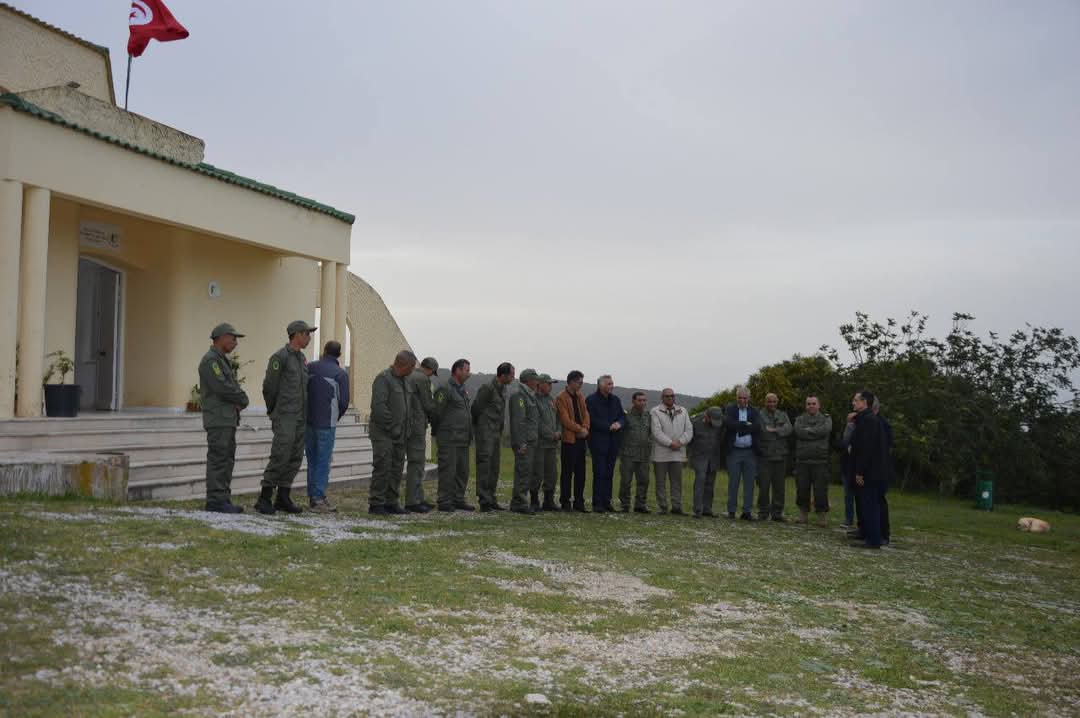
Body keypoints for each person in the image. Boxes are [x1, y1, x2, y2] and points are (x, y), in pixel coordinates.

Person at [256, 320, 316, 515]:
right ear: (297, 334)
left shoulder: (302, 359)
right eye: (307, 333)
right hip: (285, 416)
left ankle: (283, 496)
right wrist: (274, 410)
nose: (309, 337)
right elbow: (269, 387)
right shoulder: (280, 357)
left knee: (295, 457)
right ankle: (264, 497)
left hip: (300, 417)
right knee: (280, 455)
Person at [198, 323, 249, 514]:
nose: (236, 342)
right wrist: (242, 398)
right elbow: (222, 386)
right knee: (219, 459)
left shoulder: (221, 360)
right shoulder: (211, 361)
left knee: (227, 459)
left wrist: (237, 399)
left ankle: (223, 498)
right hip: (218, 419)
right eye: (233, 338)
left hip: (226, 418)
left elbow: (228, 386)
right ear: (221, 337)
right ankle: (215, 501)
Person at [368, 350, 416, 515]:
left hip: (400, 433)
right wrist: (393, 427)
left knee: (396, 468)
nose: (413, 370)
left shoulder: (404, 381)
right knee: (383, 466)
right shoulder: (384, 379)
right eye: (412, 366)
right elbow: (379, 408)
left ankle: (391, 502)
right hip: (384, 433)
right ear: (403, 365)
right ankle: (377, 503)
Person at [305, 340, 350, 513]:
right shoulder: (340, 374)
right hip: (327, 423)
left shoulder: (311, 367)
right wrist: (335, 417)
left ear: (324, 351)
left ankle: (313, 496)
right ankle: (318, 499)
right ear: (339, 354)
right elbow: (344, 402)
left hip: (309, 421)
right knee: (323, 460)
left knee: (312, 459)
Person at [433, 359, 474, 512]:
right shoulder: (445, 388)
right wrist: (441, 432)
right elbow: (436, 412)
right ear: (457, 371)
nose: (469, 373)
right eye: (466, 370)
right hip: (449, 438)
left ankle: (458, 499)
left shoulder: (462, 389)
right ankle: (444, 501)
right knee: (448, 471)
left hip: (463, 439)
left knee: (462, 472)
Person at [473, 362, 514, 512]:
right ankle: (484, 500)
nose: (513, 378)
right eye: (511, 375)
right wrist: (481, 427)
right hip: (485, 432)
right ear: (502, 375)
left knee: (494, 467)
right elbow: (476, 408)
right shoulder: (488, 388)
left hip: (496, 432)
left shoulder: (503, 389)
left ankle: (491, 498)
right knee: (484, 466)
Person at [850, 390, 887, 549]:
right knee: (867, 504)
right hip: (870, 469)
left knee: (871, 504)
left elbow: (867, 449)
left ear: (864, 402)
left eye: (855, 400)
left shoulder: (869, 421)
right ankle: (870, 535)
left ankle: (873, 540)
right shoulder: (865, 419)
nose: (853, 403)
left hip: (871, 471)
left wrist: (860, 472)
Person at [650, 388, 694, 515]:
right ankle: (662, 507)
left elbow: (689, 430)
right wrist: (670, 443)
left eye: (672, 396)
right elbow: (656, 432)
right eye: (667, 396)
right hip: (661, 454)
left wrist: (680, 442)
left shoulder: (683, 411)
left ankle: (676, 507)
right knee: (660, 482)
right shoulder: (655, 411)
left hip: (678, 453)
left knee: (676, 482)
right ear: (662, 397)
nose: (670, 398)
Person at [404, 357, 439, 513]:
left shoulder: (408, 375)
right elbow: (427, 404)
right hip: (417, 425)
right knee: (417, 463)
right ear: (431, 369)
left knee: (415, 463)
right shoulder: (422, 379)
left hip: (406, 424)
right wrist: (437, 419)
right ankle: (413, 501)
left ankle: (418, 497)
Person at [586, 375, 626, 513]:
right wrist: (608, 426)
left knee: (609, 473)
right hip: (598, 441)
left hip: (614, 441)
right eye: (609, 384)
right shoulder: (591, 400)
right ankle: (597, 503)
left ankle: (607, 502)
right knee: (599, 472)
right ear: (601, 385)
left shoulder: (615, 400)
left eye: (612, 383)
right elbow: (590, 419)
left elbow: (622, 416)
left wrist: (619, 423)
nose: (612, 386)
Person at [723, 386, 762, 520]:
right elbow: (729, 424)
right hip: (734, 451)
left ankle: (746, 511)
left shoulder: (755, 411)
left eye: (745, 398)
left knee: (749, 483)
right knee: (733, 482)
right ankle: (731, 511)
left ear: (749, 398)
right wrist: (746, 425)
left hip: (750, 452)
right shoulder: (730, 409)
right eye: (740, 397)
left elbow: (757, 427)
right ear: (736, 398)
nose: (742, 400)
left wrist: (740, 426)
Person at [794, 396, 833, 527]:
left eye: (813, 403)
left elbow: (825, 430)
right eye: (808, 404)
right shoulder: (799, 419)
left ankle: (822, 517)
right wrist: (815, 433)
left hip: (820, 461)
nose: (811, 406)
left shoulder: (826, 419)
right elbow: (799, 432)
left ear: (819, 405)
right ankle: (803, 515)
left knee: (821, 490)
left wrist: (809, 431)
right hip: (803, 461)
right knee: (802, 489)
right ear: (805, 406)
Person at [555, 370, 591, 511]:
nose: (581, 385)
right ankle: (565, 502)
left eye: (582, 382)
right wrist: (579, 429)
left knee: (581, 473)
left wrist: (586, 428)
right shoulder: (561, 397)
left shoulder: (580, 396)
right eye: (579, 382)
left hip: (581, 440)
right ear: (571, 382)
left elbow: (586, 414)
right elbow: (565, 419)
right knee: (567, 473)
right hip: (569, 440)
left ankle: (579, 502)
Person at [508, 368, 541, 515]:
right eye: (535, 379)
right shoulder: (519, 396)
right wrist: (521, 442)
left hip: (531, 440)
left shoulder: (530, 395)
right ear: (528, 380)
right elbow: (518, 421)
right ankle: (519, 502)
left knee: (527, 472)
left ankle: (521, 501)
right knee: (523, 471)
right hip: (525, 441)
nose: (537, 382)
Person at [757, 392, 792, 521]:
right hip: (765, 456)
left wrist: (775, 430)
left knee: (779, 486)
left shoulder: (783, 414)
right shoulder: (759, 415)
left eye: (774, 401)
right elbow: (763, 431)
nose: (771, 404)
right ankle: (763, 512)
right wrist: (779, 428)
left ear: (777, 402)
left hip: (781, 456)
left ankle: (777, 513)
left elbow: (789, 429)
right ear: (765, 402)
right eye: (769, 401)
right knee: (764, 486)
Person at [618, 391, 652, 513]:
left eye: (644, 400)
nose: (642, 403)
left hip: (644, 454)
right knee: (626, 481)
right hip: (628, 454)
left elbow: (651, 433)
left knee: (644, 480)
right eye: (639, 400)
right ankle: (625, 504)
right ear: (633, 401)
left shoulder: (648, 416)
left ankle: (640, 504)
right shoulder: (626, 416)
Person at [688, 407, 725, 518]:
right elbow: (689, 440)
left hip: (713, 457)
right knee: (700, 480)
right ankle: (697, 510)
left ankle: (707, 509)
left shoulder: (721, 422)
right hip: (699, 457)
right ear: (707, 416)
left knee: (710, 483)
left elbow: (721, 438)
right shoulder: (695, 422)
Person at [533, 374, 561, 511]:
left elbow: (557, 419)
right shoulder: (534, 400)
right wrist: (551, 434)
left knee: (552, 473)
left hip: (552, 444)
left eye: (551, 384)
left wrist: (558, 432)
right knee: (537, 472)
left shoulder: (551, 400)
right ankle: (533, 501)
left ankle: (548, 501)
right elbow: (537, 422)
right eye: (548, 384)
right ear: (540, 384)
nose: (550, 386)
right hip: (540, 443)